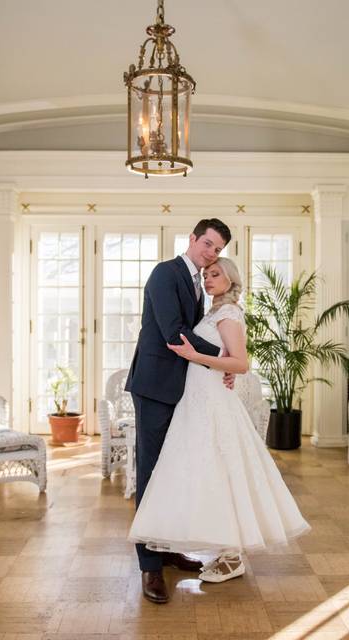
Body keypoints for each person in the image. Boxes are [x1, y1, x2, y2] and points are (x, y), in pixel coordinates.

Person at [127, 256, 310, 602]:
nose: (209, 278)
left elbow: (240, 362)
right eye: (208, 273)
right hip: (192, 400)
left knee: (221, 472)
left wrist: (206, 359)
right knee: (198, 474)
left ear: (231, 281)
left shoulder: (228, 313)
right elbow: (221, 354)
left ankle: (232, 554)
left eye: (217, 274)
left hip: (210, 401)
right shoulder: (208, 310)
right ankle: (182, 545)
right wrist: (216, 361)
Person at [124, 218, 235, 604]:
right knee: (152, 472)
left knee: (171, 472)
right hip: (154, 387)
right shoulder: (164, 273)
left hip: (180, 390)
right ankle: (149, 566)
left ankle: (166, 547)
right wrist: (224, 360)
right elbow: (174, 334)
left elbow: (194, 332)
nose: (210, 253)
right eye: (207, 244)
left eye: (217, 249)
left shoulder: (198, 285)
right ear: (192, 239)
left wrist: (218, 366)